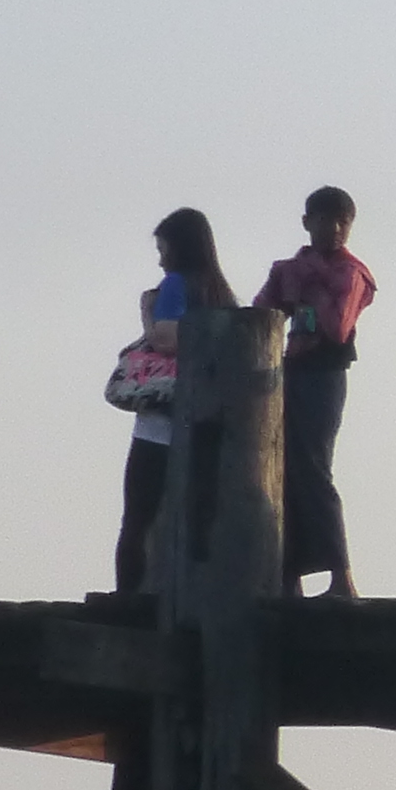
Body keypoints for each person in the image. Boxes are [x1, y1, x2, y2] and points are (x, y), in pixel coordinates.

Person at [255, 187, 379, 600]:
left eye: (344, 222)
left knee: (314, 469)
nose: (336, 229)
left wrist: (310, 280)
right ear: (308, 222)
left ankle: (341, 577)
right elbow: (261, 315)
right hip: (289, 373)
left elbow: (337, 328)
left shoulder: (352, 273)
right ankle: (289, 576)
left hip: (325, 375)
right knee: (284, 470)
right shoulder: (290, 269)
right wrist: (288, 280)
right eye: (326, 220)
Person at [117, 208, 235, 594]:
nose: (161, 259)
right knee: (197, 517)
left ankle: (129, 598)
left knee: (139, 518)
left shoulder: (175, 285)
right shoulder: (221, 294)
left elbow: (166, 339)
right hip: (208, 422)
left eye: (163, 249)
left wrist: (147, 315)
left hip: (161, 423)